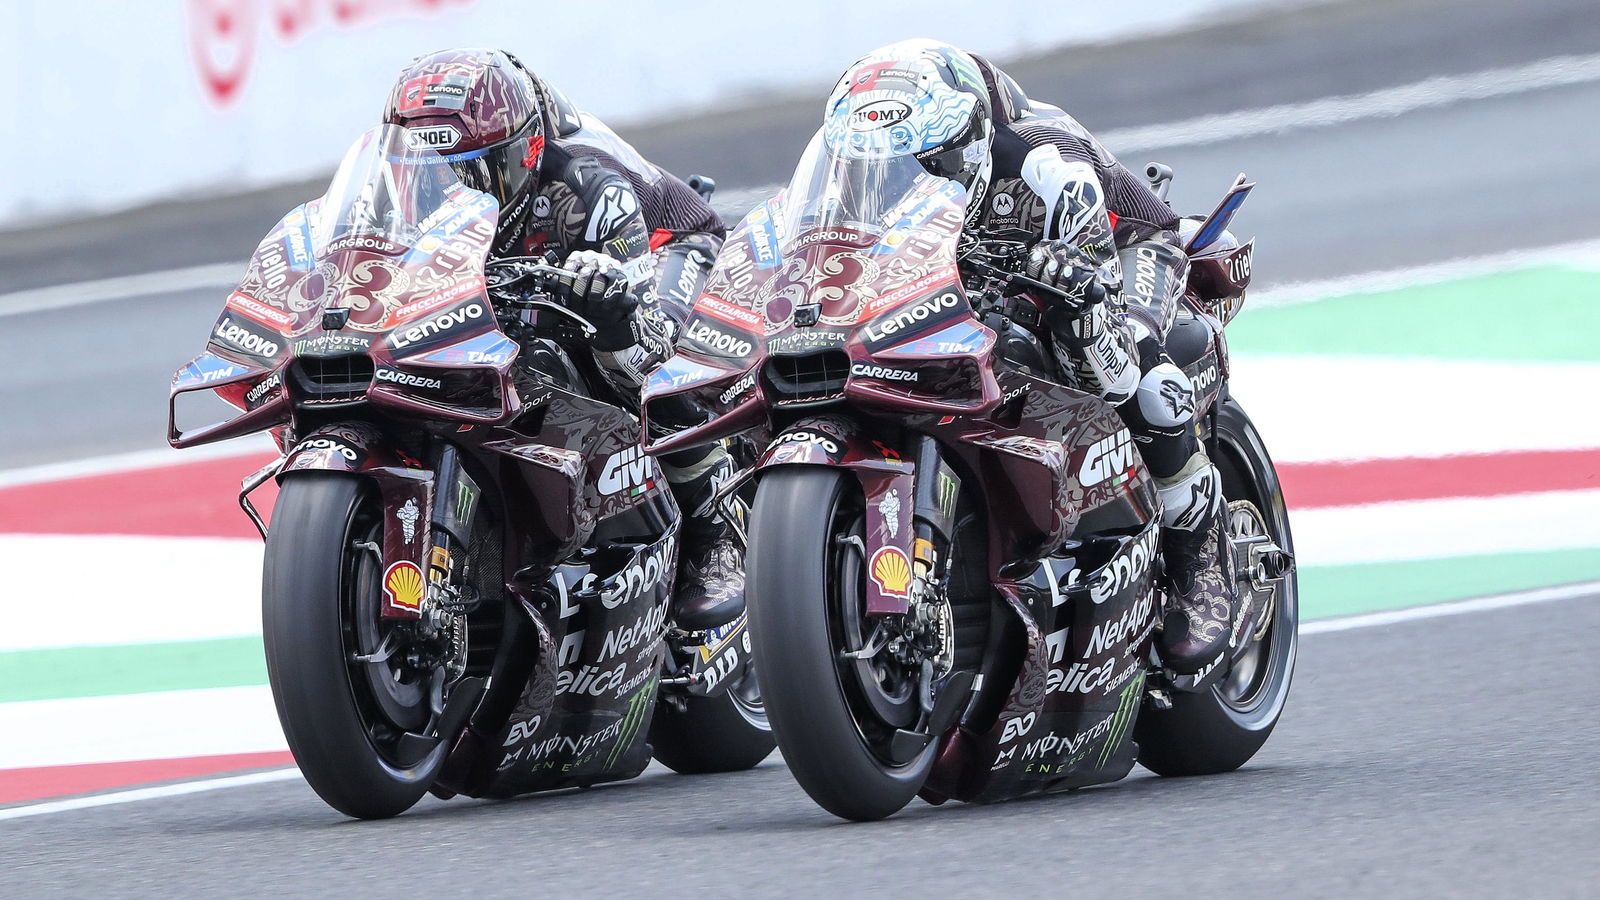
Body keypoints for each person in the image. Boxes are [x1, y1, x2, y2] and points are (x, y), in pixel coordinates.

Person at [825, 40, 1236, 675]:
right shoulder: (856, 181)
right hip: (983, 271)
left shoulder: (1047, 166)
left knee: (1137, 377)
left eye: (921, 165)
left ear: (967, 145)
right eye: (879, 167)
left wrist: (1066, 286)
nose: (897, 181)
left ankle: (1200, 557)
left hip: (1120, 251)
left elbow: (1099, 321)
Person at [382, 48, 742, 631]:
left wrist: (608, 309)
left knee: (643, 360)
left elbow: (644, 336)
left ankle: (715, 535)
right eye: (426, 174)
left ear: (524, 152)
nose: (445, 190)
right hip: (528, 266)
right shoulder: (395, 195)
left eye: (469, 174)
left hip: (666, 245)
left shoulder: (589, 187)